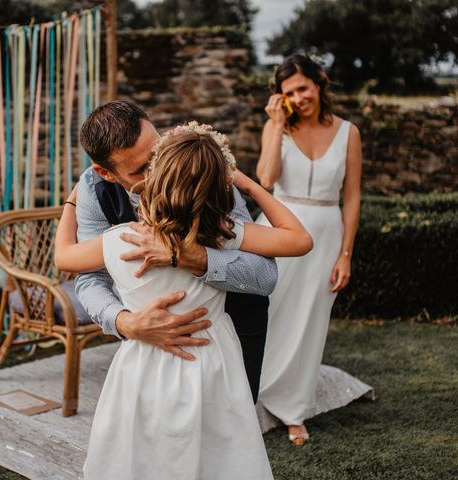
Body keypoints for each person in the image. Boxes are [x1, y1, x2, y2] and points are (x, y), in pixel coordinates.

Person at [55, 123, 312, 479]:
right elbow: (299, 239)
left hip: (145, 368)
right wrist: (248, 183)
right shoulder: (221, 231)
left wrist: (71, 200)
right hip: (215, 358)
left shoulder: (118, 240)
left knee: (147, 453)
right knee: (221, 453)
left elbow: (64, 257)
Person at [71, 101, 277, 402]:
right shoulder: (92, 190)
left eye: (157, 151)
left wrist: (195, 258)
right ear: (106, 172)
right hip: (151, 343)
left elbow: (266, 276)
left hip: (233, 322)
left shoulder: (201, 165)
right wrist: (124, 322)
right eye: (142, 169)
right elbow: (90, 278)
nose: (159, 170)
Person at [255, 53, 363, 445]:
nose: (298, 97)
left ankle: (293, 410)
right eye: (289, 93)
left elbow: (351, 198)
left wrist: (346, 253)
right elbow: (265, 180)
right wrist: (277, 125)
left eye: (302, 88)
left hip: (326, 236)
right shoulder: (276, 127)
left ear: (319, 82)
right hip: (280, 231)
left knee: (309, 321)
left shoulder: (349, 132)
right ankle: (252, 393)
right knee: (269, 311)